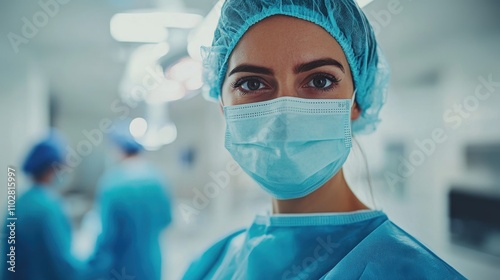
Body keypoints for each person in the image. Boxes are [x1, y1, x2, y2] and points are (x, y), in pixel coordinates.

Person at [182, 0, 465, 279]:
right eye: (252, 83)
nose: (284, 115)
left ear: (357, 102)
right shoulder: (211, 265)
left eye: (320, 81)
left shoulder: (410, 273)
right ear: (222, 105)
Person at [86, 121, 172, 280]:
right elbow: (167, 219)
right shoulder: (156, 178)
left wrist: (90, 269)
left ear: (118, 149)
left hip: (122, 268)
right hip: (150, 265)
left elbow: (107, 237)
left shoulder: (112, 183)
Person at [1, 130, 83, 280]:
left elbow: (8, 264)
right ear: (52, 167)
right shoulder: (48, 209)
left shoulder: (18, 204)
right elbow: (65, 267)